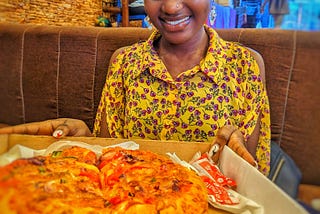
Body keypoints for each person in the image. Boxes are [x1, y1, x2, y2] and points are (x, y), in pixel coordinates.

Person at [0, 0, 271, 176]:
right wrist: (83, 139)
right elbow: (109, 155)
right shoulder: (124, 62)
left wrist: (231, 147)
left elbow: (249, 175)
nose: (172, 6)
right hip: (132, 198)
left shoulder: (245, 65)